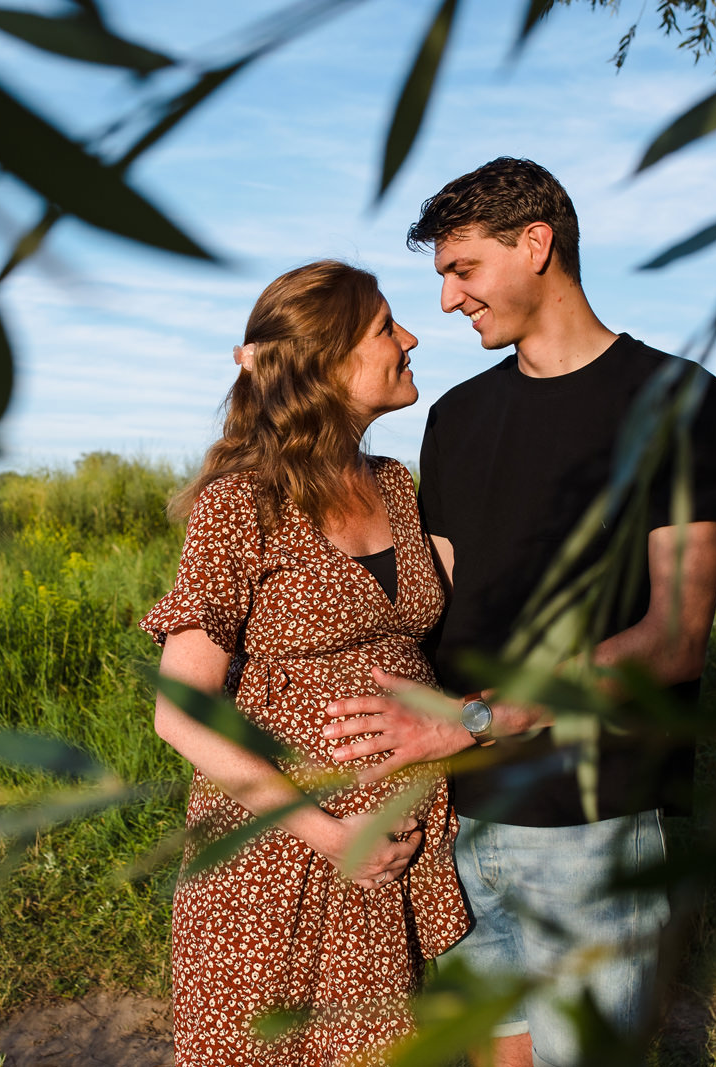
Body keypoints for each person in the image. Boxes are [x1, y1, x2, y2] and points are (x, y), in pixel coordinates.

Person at [321, 158, 716, 1066]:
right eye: (441, 277)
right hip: (457, 818)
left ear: (536, 244)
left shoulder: (677, 402)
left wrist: (472, 721)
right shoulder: (456, 418)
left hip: (588, 823)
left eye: (462, 270)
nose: (445, 303)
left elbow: (673, 640)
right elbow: (423, 610)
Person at [141, 260, 470, 1066]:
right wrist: (325, 833)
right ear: (327, 364)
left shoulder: (396, 487)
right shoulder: (242, 501)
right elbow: (179, 708)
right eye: (387, 326)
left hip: (387, 861)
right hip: (275, 861)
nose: (412, 336)